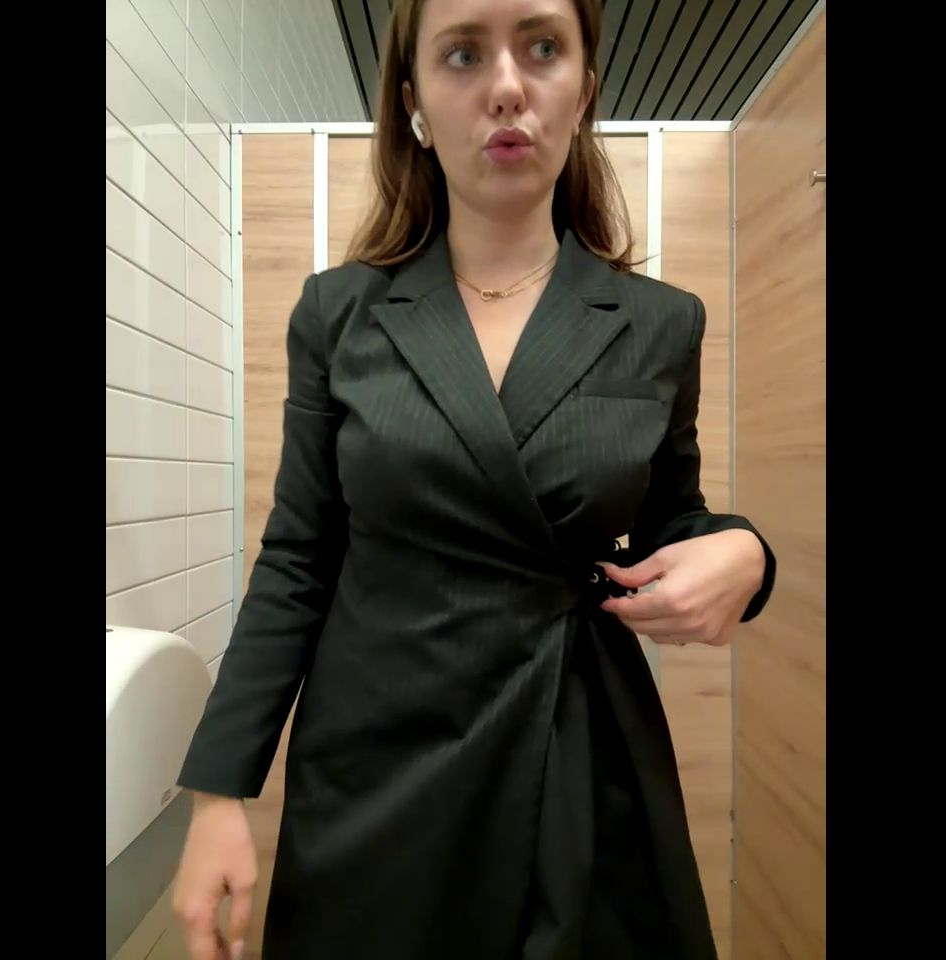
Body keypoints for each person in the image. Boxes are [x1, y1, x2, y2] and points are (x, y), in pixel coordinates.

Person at [172, 0, 777, 957]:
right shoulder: (339, 314)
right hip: (378, 766)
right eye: (462, 54)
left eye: (542, 47)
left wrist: (748, 554)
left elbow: (673, 521)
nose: (506, 87)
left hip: (577, 756)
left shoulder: (661, 323)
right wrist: (218, 793)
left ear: (584, 91)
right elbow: (297, 561)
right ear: (413, 101)